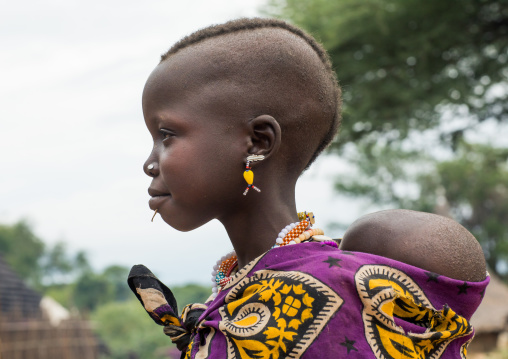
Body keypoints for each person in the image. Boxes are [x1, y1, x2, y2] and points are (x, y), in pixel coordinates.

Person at [128, 18, 489, 358]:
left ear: (257, 143)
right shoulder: (239, 292)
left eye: (166, 135)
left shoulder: (322, 294)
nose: (149, 162)